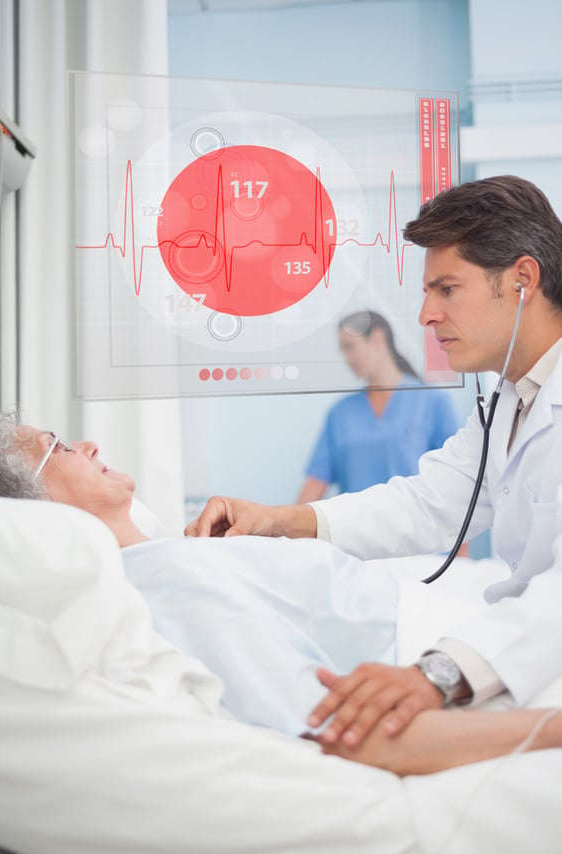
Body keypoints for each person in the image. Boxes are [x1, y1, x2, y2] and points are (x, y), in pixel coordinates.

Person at [0, 409, 561, 779]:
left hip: (487, 630)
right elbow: (354, 737)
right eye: (58, 447)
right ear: (37, 508)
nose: (90, 446)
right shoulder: (163, 589)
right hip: (473, 667)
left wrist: (274, 521)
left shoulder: (180, 557)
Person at [185, 175, 562, 751]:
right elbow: (428, 502)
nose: (426, 315)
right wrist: (280, 519)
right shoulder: (508, 398)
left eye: (447, 289)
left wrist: (440, 674)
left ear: (522, 279)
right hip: (522, 652)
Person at [298, 310, 461, 503]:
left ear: (377, 338)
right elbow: (315, 484)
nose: (347, 358)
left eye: (350, 347)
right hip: (354, 530)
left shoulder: (432, 401)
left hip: (416, 529)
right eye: (343, 351)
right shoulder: (340, 414)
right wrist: (281, 527)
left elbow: (456, 480)